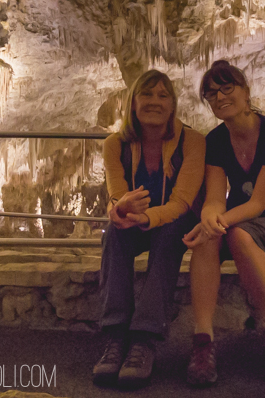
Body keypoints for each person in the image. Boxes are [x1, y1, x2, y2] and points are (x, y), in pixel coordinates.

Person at [183, 60, 265, 385]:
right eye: (211, 93)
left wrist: (215, 220)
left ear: (245, 92)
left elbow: (258, 203)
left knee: (236, 235)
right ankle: (202, 341)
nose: (219, 97)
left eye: (227, 88)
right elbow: (214, 196)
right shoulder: (216, 141)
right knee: (211, 237)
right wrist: (209, 218)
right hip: (239, 223)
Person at [93, 70, 205, 388]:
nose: (154, 101)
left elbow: (182, 201)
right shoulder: (115, 144)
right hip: (133, 221)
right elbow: (117, 193)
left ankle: (143, 339)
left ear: (172, 106)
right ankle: (116, 336)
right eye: (147, 94)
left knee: (170, 236)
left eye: (162, 95)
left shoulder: (193, 142)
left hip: (174, 220)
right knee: (113, 232)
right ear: (133, 103)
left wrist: (145, 218)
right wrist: (119, 210)